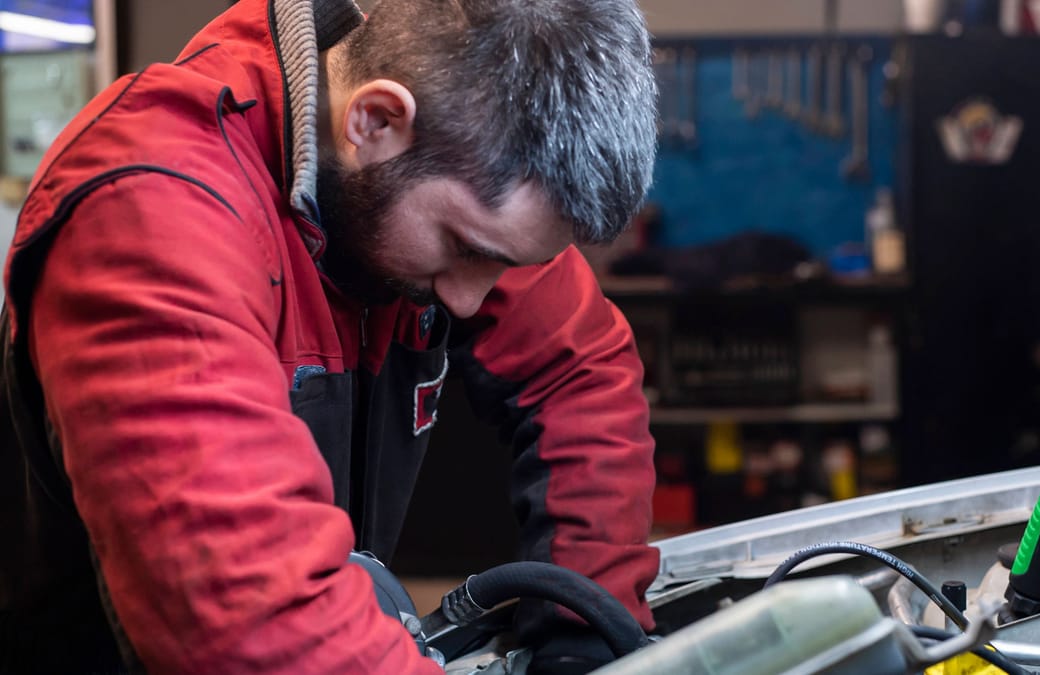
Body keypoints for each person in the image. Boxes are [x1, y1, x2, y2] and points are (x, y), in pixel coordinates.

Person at [0, 0, 659, 672]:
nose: (470, 296)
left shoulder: (446, 176)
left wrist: (584, 629)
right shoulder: (151, 208)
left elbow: (579, 371)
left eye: (504, 262)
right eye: (462, 246)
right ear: (375, 120)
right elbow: (253, 619)